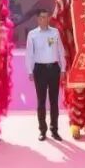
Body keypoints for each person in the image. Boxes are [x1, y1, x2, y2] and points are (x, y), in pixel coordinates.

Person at [26, 10, 65, 141]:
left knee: (54, 101)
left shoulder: (55, 32)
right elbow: (29, 54)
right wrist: (30, 71)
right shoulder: (32, 34)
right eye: (42, 17)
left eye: (47, 17)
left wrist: (63, 69)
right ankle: (42, 130)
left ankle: (54, 130)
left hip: (54, 69)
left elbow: (60, 50)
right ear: (38, 19)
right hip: (40, 70)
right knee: (41, 101)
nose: (45, 19)